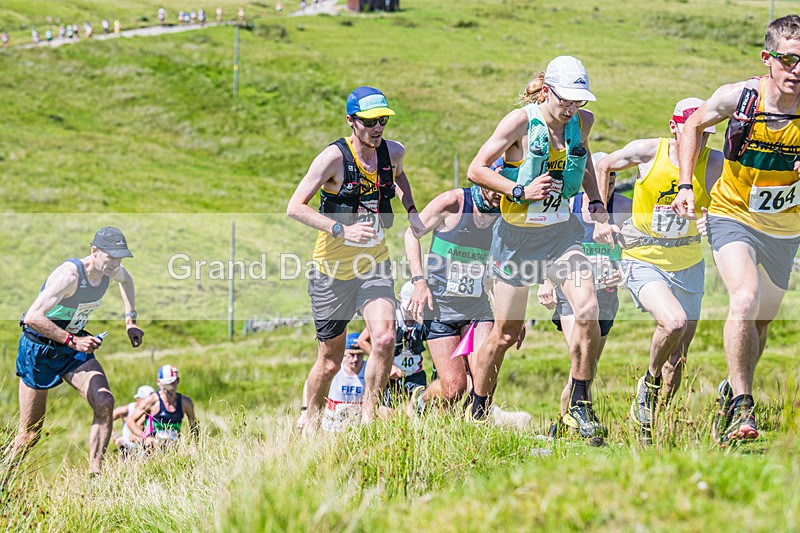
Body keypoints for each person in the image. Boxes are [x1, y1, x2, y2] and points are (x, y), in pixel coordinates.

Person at [466, 56, 611, 440]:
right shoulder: (519, 122)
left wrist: (595, 199)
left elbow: (586, 158)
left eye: (579, 100)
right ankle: (477, 409)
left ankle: (579, 406)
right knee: (506, 333)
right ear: (547, 91)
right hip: (515, 239)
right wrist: (520, 191)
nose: (572, 108)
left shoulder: (582, 122)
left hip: (561, 233)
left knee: (588, 307)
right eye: (566, 100)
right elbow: (476, 169)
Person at [672, 15, 800, 445]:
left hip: (785, 228)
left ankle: (731, 389)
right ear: (769, 59)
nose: (797, 69)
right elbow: (693, 125)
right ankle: (744, 406)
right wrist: (687, 185)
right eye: (789, 59)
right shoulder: (740, 97)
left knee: (761, 325)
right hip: (734, 215)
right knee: (743, 299)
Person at [286, 86, 422, 433]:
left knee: (385, 338)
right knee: (330, 362)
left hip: (373, 265)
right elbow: (295, 207)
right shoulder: (332, 159)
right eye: (369, 122)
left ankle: (369, 415)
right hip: (330, 272)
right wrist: (340, 231)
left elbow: (400, 176)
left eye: (383, 121)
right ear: (351, 121)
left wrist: (411, 210)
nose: (378, 128)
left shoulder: (393, 152)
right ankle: (311, 419)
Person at [595, 100, 722, 439]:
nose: (700, 141)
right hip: (643, 258)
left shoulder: (715, 163)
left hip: (689, 262)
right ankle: (648, 382)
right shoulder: (647, 152)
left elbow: (738, 198)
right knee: (674, 322)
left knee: (678, 358)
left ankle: (653, 426)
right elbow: (603, 166)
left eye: (706, 133)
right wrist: (599, 216)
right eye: (692, 132)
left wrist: (716, 220)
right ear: (673, 127)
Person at [6, 227, 144, 474]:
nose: (116, 263)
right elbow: (32, 318)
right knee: (30, 435)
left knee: (105, 401)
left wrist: (130, 321)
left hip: (71, 348)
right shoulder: (69, 275)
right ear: (94, 251)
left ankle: (95, 475)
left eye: (120, 257)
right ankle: (5, 473)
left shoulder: (109, 272)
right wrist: (72, 340)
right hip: (39, 349)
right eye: (111, 256)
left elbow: (127, 280)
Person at [538, 151, 632, 431]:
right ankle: (573, 424)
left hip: (608, 295)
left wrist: (622, 271)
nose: (609, 181)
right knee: (580, 360)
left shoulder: (626, 206)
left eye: (613, 175)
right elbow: (549, 244)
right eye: (603, 175)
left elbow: (636, 251)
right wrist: (545, 281)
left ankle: (566, 426)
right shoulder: (569, 204)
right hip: (572, 295)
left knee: (586, 370)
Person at [404, 163, 504, 412]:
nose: (500, 194)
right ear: (482, 179)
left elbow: (499, 268)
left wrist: (509, 313)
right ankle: (421, 401)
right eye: (494, 185)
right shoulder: (454, 203)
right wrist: (419, 282)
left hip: (476, 308)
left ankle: (474, 431)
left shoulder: (507, 212)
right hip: (440, 309)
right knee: (454, 388)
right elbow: (411, 234)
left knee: (485, 378)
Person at [359, 282, 428, 406]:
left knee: (415, 412)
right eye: (409, 306)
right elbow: (362, 341)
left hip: (415, 374)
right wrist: (388, 366)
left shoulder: (423, 317)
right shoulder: (391, 317)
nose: (412, 311)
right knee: (387, 414)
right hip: (390, 376)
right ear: (400, 298)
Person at [298, 332, 367, 432]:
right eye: (351, 355)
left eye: (359, 355)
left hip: (358, 427)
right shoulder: (334, 368)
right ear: (345, 353)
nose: (355, 359)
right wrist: (304, 411)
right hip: (332, 426)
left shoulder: (368, 369)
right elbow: (310, 384)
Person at [128, 365, 198, 446]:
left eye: (172, 383)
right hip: (152, 449)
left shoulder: (186, 402)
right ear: (158, 382)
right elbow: (130, 421)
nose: (170, 387)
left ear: (178, 380)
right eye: (166, 383)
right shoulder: (152, 400)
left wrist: (194, 445)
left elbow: (194, 425)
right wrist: (145, 437)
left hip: (173, 448)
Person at [112, 385, 155, 453]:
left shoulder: (152, 412)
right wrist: (115, 437)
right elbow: (106, 419)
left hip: (144, 449)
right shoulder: (127, 410)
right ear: (138, 398)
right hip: (127, 449)